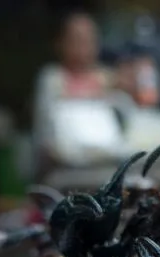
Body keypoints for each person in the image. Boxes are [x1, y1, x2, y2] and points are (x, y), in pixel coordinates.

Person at [32, 11, 112, 178]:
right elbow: (46, 136)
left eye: (88, 40)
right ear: (61, 43)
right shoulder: (52, 78)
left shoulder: (107, 77)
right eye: (76, 40)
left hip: (104, 170)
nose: (83, 47)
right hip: (62, 173)